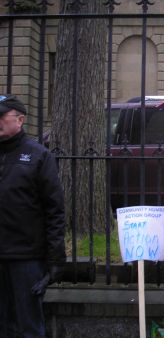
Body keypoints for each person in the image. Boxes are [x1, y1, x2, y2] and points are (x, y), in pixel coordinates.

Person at [0, 94, 66, 337]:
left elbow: (55, 210)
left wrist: (55, 260)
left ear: (20, 120)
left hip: (25, 258)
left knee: (28, 326)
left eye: (1, 116)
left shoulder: (39, 156)